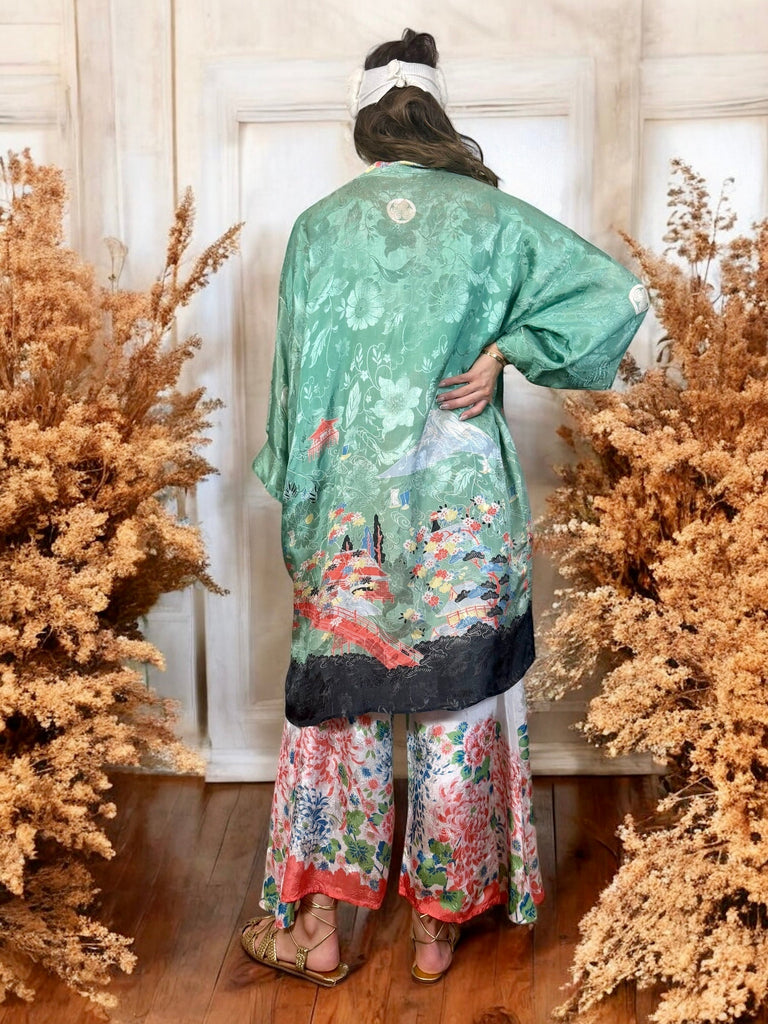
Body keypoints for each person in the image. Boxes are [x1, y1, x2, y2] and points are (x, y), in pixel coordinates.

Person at [244, 29, 648, 987]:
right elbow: (619, 295)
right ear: (436, 110)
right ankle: (436, 930)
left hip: (350, 511)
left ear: (364, 119)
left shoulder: (318, 228)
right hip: (461, 514)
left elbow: (294, 394)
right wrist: (507, 350)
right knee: (456, 705)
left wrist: (303, 507)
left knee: (336, 712)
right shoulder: (491, 216)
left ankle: (319, 933)